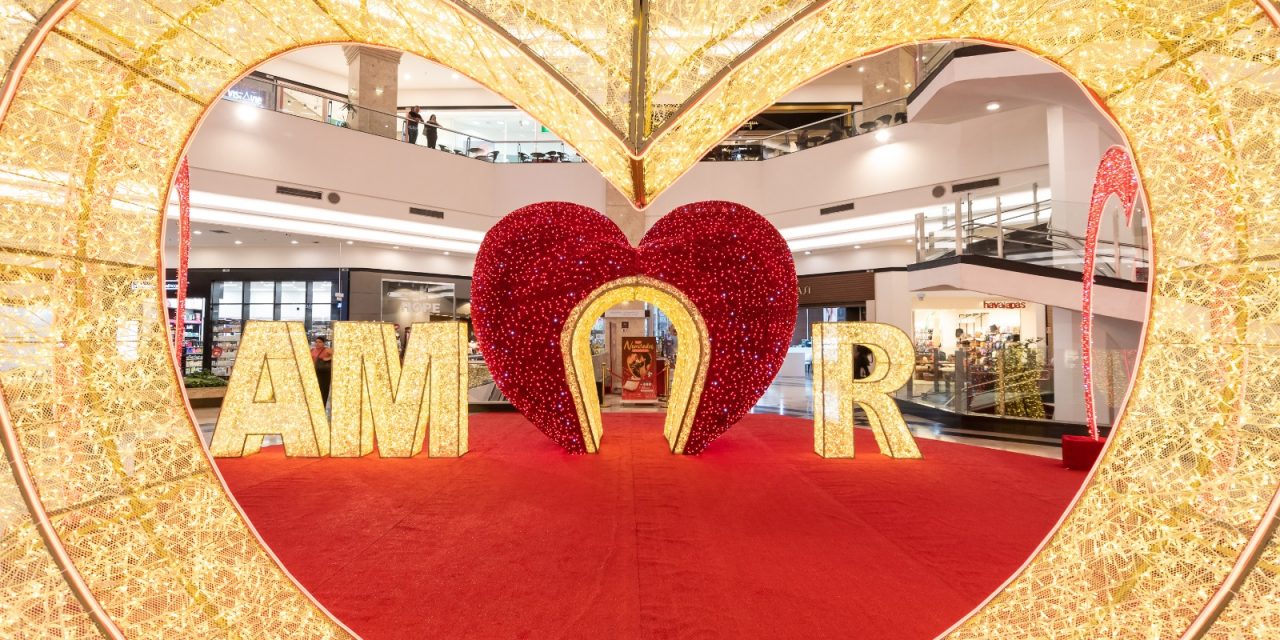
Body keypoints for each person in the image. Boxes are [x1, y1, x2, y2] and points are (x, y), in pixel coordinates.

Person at [311, 336, 333, 405]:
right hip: (314, 372)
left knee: (323, 390)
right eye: (316, 342)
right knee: (315, 390)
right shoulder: (312, 350)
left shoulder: (327, 350)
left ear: (323, 343)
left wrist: (328, 358)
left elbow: (337, 355)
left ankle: (323, 405)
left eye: (320, 342)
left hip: (324, 374)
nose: (317, 343)